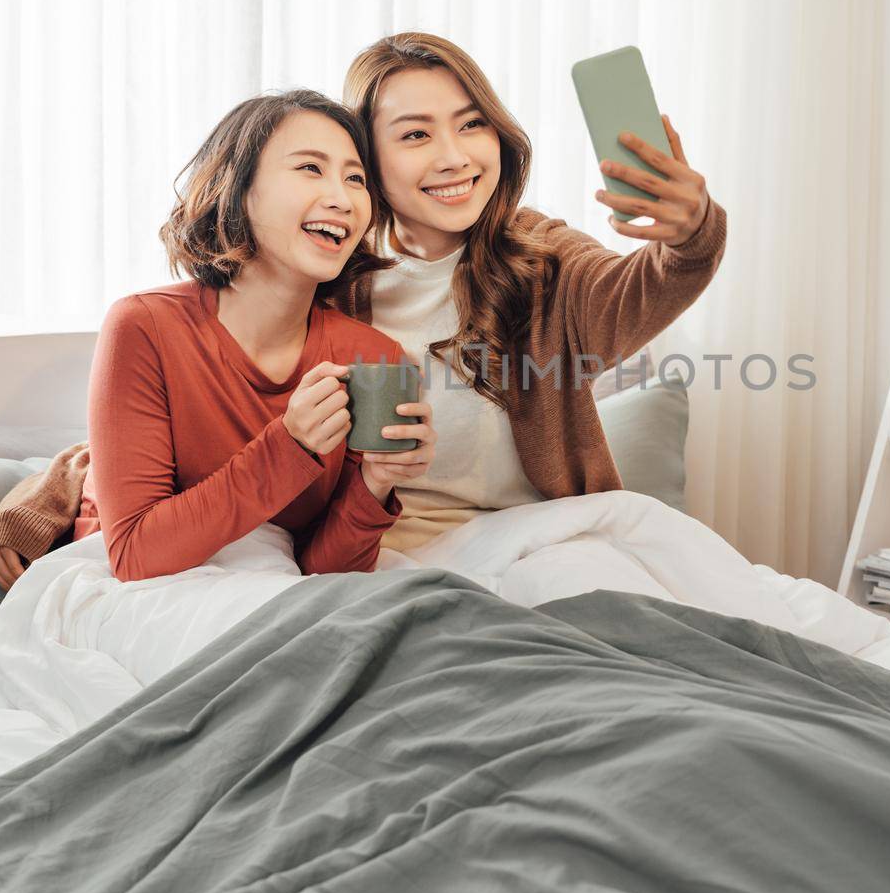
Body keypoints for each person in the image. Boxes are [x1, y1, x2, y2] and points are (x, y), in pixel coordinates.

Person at [335, 32, 726, 553]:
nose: (454, 157)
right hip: (390, 556)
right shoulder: (335, 281)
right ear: (367, 159)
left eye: (472, 124)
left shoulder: (544, 256)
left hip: (543, 549)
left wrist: (690, 232)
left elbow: (636, 291)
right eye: (415, 136)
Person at [69, 90, 436, 582]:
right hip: (143, 592)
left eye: (356, 179)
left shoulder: (372, 358)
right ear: (238, 187)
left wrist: (375, 484)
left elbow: (325, 575)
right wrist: (290, 447)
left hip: (277, 594)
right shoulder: (145, 328)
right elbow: (136, 555)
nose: (342, 198)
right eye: (310, 168)